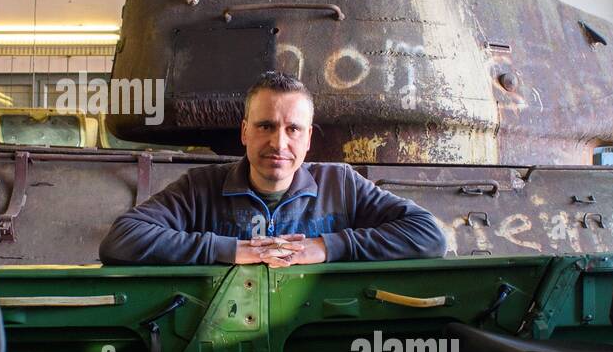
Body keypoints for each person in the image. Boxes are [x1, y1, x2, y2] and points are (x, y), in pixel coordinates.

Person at [98, 71, 447, 266]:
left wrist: (326, 247)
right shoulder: (200, 188)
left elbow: (428, 236)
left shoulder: (341, 184)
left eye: (293, 129)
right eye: (265, 126)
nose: (279, 144)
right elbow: (121, 240)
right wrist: (230, 250)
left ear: (308, 138)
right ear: (245, 131)